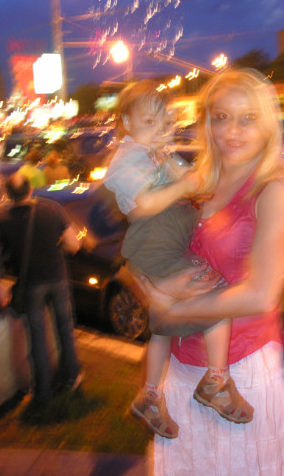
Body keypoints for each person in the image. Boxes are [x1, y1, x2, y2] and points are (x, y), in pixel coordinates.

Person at [142, 68, 284, 475]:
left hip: (240, 370)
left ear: (267, 124)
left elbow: (261, 295)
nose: (232, 131)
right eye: (221, 117)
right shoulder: (198, 183)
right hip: (184, 368)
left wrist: (172, 310)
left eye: (247, 118)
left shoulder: (273, 190)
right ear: (206, 123)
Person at [104, 80, 253, 440]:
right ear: (127, 121)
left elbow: (194, 183)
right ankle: (216, 382)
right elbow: (143, 205)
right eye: (149, 122)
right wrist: (184, 187)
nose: (161, 129)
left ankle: (149, 397)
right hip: (156, 246)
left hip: (169, 245)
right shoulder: (127, 159)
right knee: (219, 297)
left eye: (166, 121)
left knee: (162, 328)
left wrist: (201, 182)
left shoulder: (160, 154)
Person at [0, 172, 83, 407]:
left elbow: (1, 254)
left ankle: (43, 390)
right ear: (30, 189)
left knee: (36, 336)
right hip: (57, 278)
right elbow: (74, 245)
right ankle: (72, 377)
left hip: (31, 284)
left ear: (9, 195)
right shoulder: (51, 209)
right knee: (64, 328)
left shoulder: (3, 219)